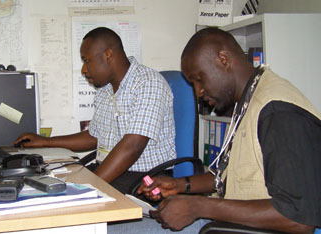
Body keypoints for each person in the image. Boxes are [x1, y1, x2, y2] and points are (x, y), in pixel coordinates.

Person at [109, 27, 321, 233]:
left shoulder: (278, 113)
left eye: (199, 79)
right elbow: (231, 176)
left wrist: (198, 207)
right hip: (227, 221)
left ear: (223, 59)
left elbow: (298, 219)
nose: (199, 92)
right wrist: (179, 185)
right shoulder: (248, 100)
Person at [15, 27, 176, 194]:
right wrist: (44, 142)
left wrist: (87, 187)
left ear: (108, 55)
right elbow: (94, 136)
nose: (84, 70)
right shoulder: (105, 89)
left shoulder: (148, 83)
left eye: (87, 60)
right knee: (47, 186)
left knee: (68, 201)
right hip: (111, 170)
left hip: (145, 179)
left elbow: (132, 146)